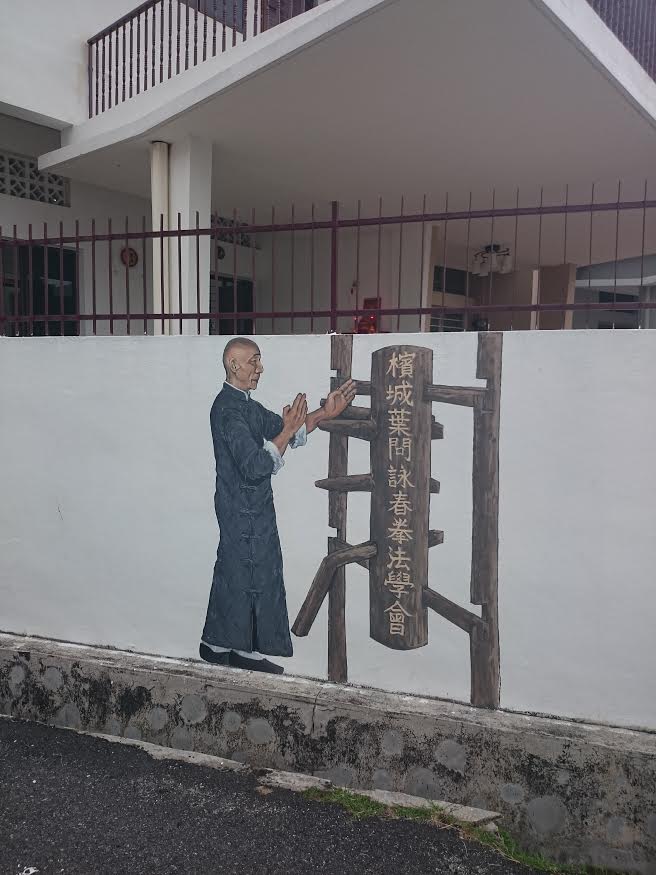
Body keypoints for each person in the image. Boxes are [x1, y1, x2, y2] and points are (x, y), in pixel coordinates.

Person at [200, 337, 356, 674]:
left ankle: (223, 645)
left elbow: (285, 430)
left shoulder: (247, 406)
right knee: (244, 572)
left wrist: (323, 413)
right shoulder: (226, 410)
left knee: (245, 571)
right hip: (238, 503)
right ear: (234, 365)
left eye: (260, 361)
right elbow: (255, 465)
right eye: (254, 361)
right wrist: (285, 432)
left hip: (254, 504)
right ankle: (233, 647)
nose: (260, 368)